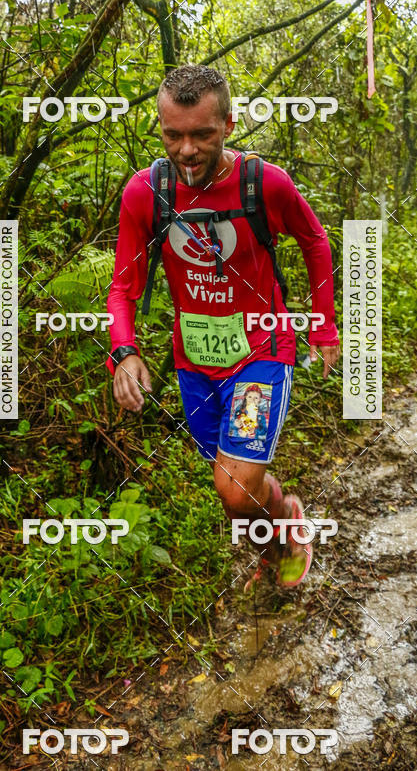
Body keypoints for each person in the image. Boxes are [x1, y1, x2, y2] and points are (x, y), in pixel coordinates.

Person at [106, 65, 340, 589]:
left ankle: (280, 529)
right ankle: (283, 522)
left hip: (261, 347)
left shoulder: (265, 183)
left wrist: (324, 326)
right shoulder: (145, 194)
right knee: (233, 483)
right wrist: (124, 352)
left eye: (202, 134)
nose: (186, 150)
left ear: (229, 125)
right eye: (173, 135)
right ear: (160, 129)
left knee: (234, 487)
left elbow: (316, 241)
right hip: (196, 362)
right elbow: (122, 288)